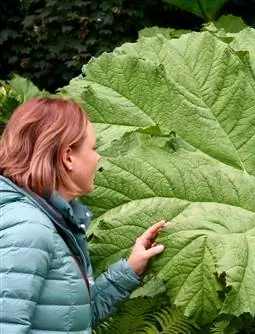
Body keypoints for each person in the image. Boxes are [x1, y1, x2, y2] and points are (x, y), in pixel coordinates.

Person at [0, 97, 166, 333]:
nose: (98, 157)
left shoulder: (47, 220)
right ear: (67, 156)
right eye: (94, 148)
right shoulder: (28, 229)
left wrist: (130, 269)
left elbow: (71, 319)